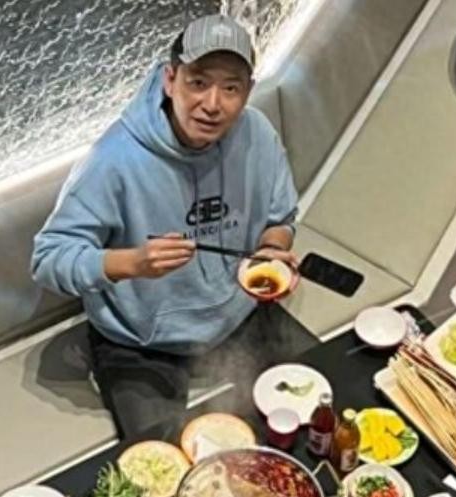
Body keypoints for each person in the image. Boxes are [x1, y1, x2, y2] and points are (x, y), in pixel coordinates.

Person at [31, 15, 315, 437]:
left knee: (321, 408)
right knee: (166, 462)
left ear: (247, 90)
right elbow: (48, 258)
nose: (213, 104)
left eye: (231, 88)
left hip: (238, 317)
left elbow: (280, 216)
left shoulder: (257, 134)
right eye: (198, 82)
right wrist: (133, 263)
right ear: (169, 79)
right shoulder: (114, 159)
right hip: (140, 343)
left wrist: (273, 251)